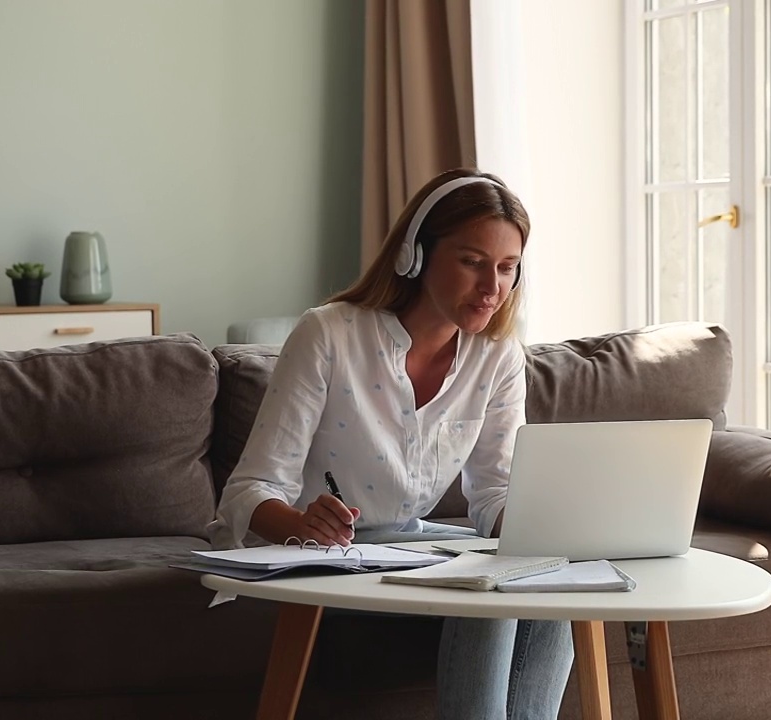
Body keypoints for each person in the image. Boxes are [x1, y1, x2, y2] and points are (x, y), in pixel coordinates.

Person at [207, 168, 573, 720]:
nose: (492, 287)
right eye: (472, 261)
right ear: (415, 255)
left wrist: (547, 530)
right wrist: (303, 526)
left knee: (544, 588)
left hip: (412, 553)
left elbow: (495, 493)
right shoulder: (329, 334)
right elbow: (249, 490)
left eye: (507, 268)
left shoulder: (499, 358)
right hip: (323, 567)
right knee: (490, 599)